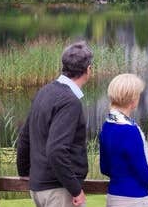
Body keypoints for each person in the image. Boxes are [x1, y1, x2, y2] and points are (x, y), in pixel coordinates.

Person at [17, 42, 94, 207]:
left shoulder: (45, 91)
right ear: (88, 69)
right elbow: (56, 150)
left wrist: (24, 171)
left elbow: (24, 136)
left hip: (40, 187)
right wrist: (75, 190)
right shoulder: (70, 102)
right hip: (59, 190)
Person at [99, 74, 148, 206]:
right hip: (134, 199)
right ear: (133, 100)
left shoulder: (107, 126)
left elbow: (104, 168)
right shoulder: (130, 131)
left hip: (113, 196)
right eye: (138, 94)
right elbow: (143, 171)